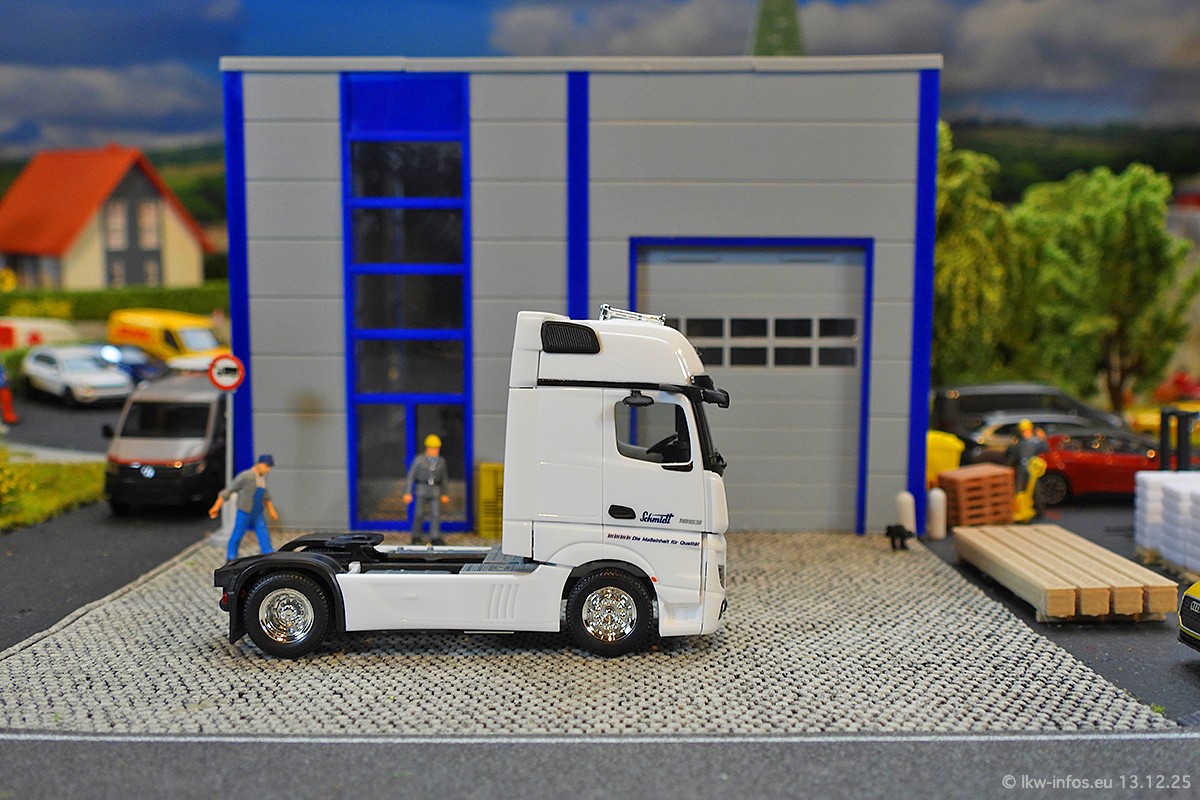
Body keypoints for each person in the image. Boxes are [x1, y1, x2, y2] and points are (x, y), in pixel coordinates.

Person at [209, 454, 278, 561]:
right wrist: (216, 506)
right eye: (267, 466)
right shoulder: (246, 476)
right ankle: (231, 556)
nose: (268, 469)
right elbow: (229, 490)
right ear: (259, 464)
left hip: (258, 512)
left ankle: (267, 551)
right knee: (238, 533)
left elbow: (266, 496)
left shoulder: (262, 479)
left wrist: (271, 510)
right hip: (245, 512)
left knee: (263, 532)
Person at [404, 434, 450, 545]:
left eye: (437, 448)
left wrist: (445, 493)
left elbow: (444, 478)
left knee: (436, 514)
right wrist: (407, 492)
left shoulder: (441, 461)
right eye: (433, 448)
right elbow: (411, 477)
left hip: (435, 490)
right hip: (422, 489)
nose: (435, 451)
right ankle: (416, 536)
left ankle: (435, 537)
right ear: (427, 448)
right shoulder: (419, 460)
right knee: (419, 513)